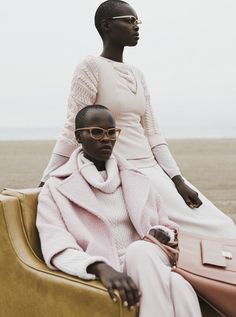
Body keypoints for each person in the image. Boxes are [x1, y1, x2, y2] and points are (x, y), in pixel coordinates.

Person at [40, 0, 236, 238]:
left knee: (220, 225)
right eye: (129, 20)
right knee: (198, 233)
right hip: (124, 169)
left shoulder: (137, 74)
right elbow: (73, 127)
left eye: (137, 21)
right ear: (106, 25)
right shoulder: (90, 67)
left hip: (152, 167)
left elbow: (152, 133)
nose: (136, 27)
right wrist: (46, 179)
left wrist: (177, 179)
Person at [37, 105, 202, 317]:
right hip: (107, 265)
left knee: (140, 250)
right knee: (179, 286)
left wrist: (160, 232)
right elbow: (56, 245)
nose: (106, 138)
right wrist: (100, 267)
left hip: (150, 257)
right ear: (79, 136)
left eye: (111, 132)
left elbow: (168, 226)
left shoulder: (137, 178)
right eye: (96, 132)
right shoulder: (55, 188)